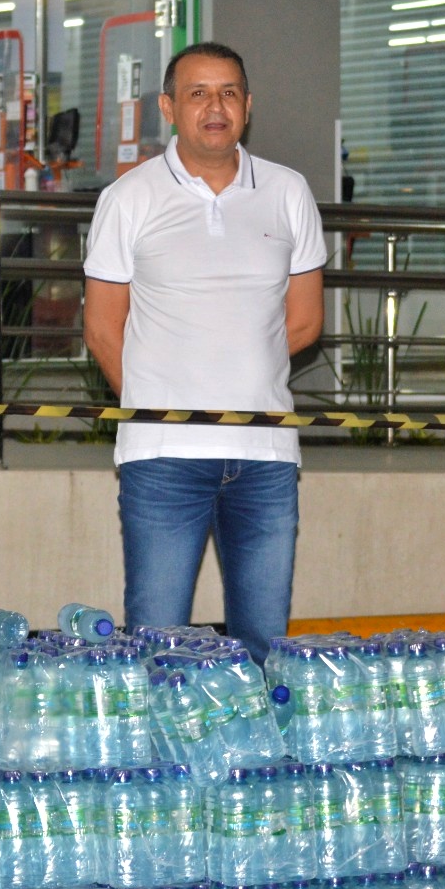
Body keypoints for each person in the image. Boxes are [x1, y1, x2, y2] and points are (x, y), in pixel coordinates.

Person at [82, 41, 325, 665]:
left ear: (248, 105)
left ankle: (260, 763)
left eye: (228, 92)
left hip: (265, 456)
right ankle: (158, 766)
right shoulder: (128, 198)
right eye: (197, 93)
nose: (214, 106)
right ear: (168, 106)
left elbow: (304, 322)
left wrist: (242, 376)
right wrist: (152, 405)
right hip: (162, 459)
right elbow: (104, 330)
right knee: (157, 644)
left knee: (263, 645)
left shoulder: (289, 192)